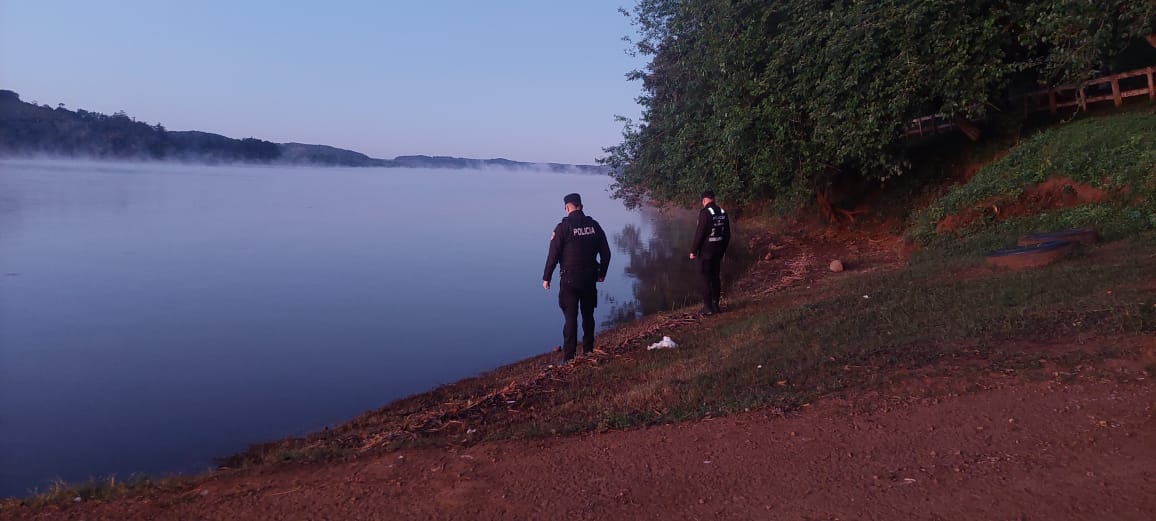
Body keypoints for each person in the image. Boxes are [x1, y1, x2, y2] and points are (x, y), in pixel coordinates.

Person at [542, 193, 611, 364]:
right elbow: (606, 253)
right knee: (588, 315)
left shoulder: (563, 228)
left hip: (570, 279)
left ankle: (569, 357)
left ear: (567, 207)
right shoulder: (594, 225)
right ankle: (588, 351)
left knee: (570, 318)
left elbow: (553, 255)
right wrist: (602, 273)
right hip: (589, 278)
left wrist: (546, 277)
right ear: (582, 206)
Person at [689, 190, 731, 315]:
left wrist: (693, 251)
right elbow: (727, 234)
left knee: (705, 279)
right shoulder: (723, 212)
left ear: (704, 200)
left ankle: (707, 308)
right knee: (715, 278)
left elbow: (699, 234)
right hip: (718, 251)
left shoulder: (705, 213)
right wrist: (723, 250)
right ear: (713, 199)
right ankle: (716, 306)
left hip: (706, 253)